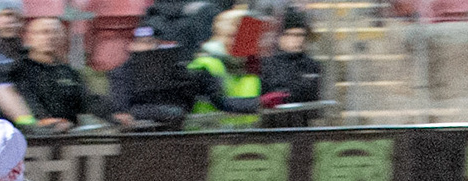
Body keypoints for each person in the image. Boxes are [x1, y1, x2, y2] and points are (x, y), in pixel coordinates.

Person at [107, 26, 274, 131]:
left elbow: (220, 101)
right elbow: (122, 111)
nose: (147, 47)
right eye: (141, 42)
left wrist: (258, 103)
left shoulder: (177, 69)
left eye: (150, 42)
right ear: (131, 46)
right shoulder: (122, 73)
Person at [9, 16, 85, 132]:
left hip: (70, 134)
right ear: (28, 37)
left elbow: (87, 102)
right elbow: (25, 103)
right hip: (33, 135)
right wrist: (47, 122)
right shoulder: (18, 70)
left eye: (55, 33)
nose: (50, 37)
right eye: (43, 32)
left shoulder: (69, 72)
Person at [186, 8, 260, 124]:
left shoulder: (252, 63)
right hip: (209, 132)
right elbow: (221, 102)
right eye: (232, 36)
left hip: (249, 132)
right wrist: (261, 103)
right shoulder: (204, 65)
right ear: (219, 36)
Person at [257, 5, 321, 127]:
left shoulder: (312, 65)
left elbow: (312, 99)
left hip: (301, 126)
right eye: (290, 35)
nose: (297, 40)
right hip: (272, 127)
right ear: (280, 37)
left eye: (300, 35)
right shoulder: (267, 64)